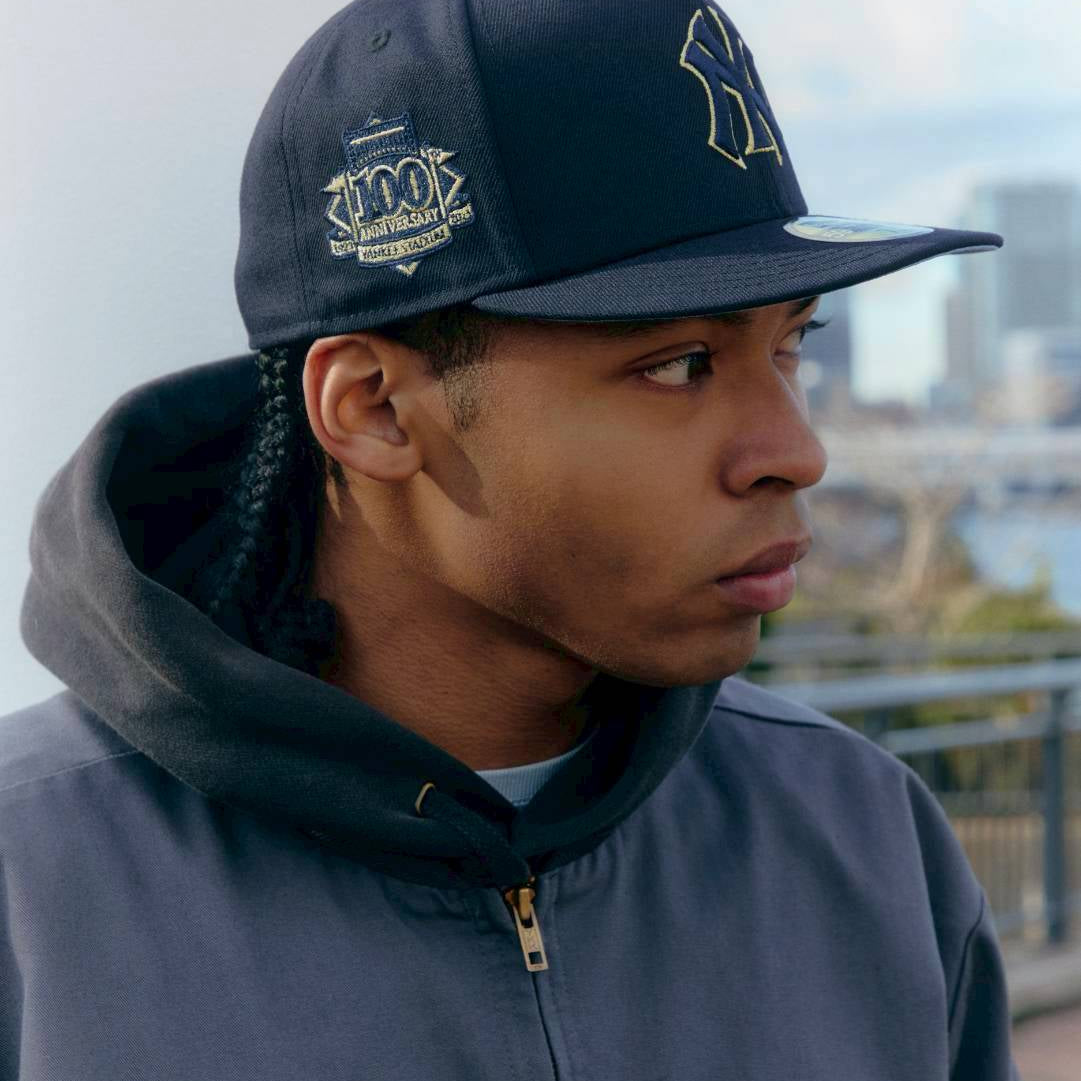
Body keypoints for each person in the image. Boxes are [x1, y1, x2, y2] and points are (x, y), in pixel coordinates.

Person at [0, 1, 1019, 1078]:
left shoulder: (864, 837)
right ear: (374, 409)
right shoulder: (31, 891)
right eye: (678, 365)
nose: (796, 452)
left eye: (791, 343)